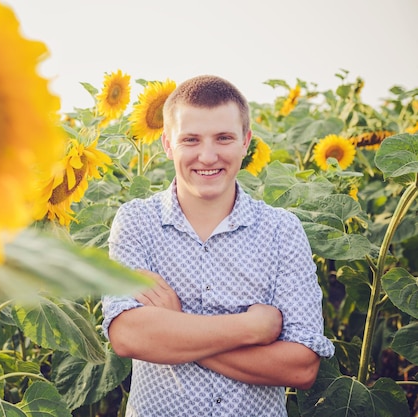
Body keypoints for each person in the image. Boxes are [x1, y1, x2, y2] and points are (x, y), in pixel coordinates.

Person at [101, 75, 335, 416]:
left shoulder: (281, 230)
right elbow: (127, 335)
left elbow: (299, 367)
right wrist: (252, 329)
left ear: (246, 142)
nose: (207, 156)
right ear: (167, 144)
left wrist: (174, 324)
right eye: (191, 140)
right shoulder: (137, 222)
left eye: (223, 138)